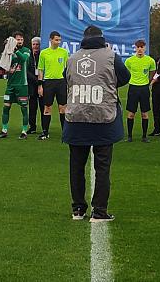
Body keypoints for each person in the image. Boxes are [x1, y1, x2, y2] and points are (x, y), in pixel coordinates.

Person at [63, 25, 130, 222]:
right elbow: (125, 77)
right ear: (102, 38)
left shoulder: (72, 58)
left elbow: (65, 79)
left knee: (76, 166)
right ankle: (99, 211)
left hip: (76, 118)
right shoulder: (111, 55)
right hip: (103, 117)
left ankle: (77, 209)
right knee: (102, 167)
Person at [0, 31, 31, 139]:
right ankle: (4, 130)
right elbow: (2, 63)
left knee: (24, 108)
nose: (19, 41)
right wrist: (6, 48)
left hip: (22, 85)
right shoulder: (9, 50)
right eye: (17, 40)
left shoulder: (26, 51)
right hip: (10, 85)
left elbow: (24, 59)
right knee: (6, 107)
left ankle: (24, 131)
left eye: (21, 39)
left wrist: (15, 49)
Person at [36, 30, 70, 141]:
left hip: (61, 82)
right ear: (51, 40)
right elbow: (40, 69)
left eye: (59, 40)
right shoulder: (44, 53)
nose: (58, 42)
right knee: (47, 107)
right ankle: (45, 132)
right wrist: (40, 85)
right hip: (48, 82)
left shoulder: (64, 52)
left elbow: (68, 69)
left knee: (63, 108)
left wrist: (68, 83)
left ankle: (65, 133)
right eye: (56, 40)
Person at [124, 39, 156, 142]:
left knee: (144, 113)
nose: (140, 49)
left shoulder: (150, 60)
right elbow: (126, 72)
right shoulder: (129, 61)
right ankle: (129, 136)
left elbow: (152, 72)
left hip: (144, 88)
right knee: (131, 113)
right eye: (138, 47)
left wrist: (148, 82)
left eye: (142, 47)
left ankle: (144, 136)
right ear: (135, 48)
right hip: (133, 88)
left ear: (145, 48)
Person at [26, 36, 42, 134]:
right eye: (34, 44)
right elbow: (26, 70)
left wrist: (40, 81)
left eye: (37, 44)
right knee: (32, 107)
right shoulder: (28, 55)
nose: (35, 46)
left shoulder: (43, 55)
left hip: (42, 85)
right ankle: (32, 127)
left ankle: (45, 128)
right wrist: (36, 80)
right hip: (32, 84)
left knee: (43, 106)